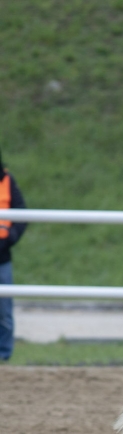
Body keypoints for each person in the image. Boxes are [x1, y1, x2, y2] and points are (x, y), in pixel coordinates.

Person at [0, 146, 29, 362]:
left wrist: (11, 237)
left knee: (4, 312)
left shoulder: (7, 181)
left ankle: (4, 355)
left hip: (2, 255)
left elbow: (21, 213)